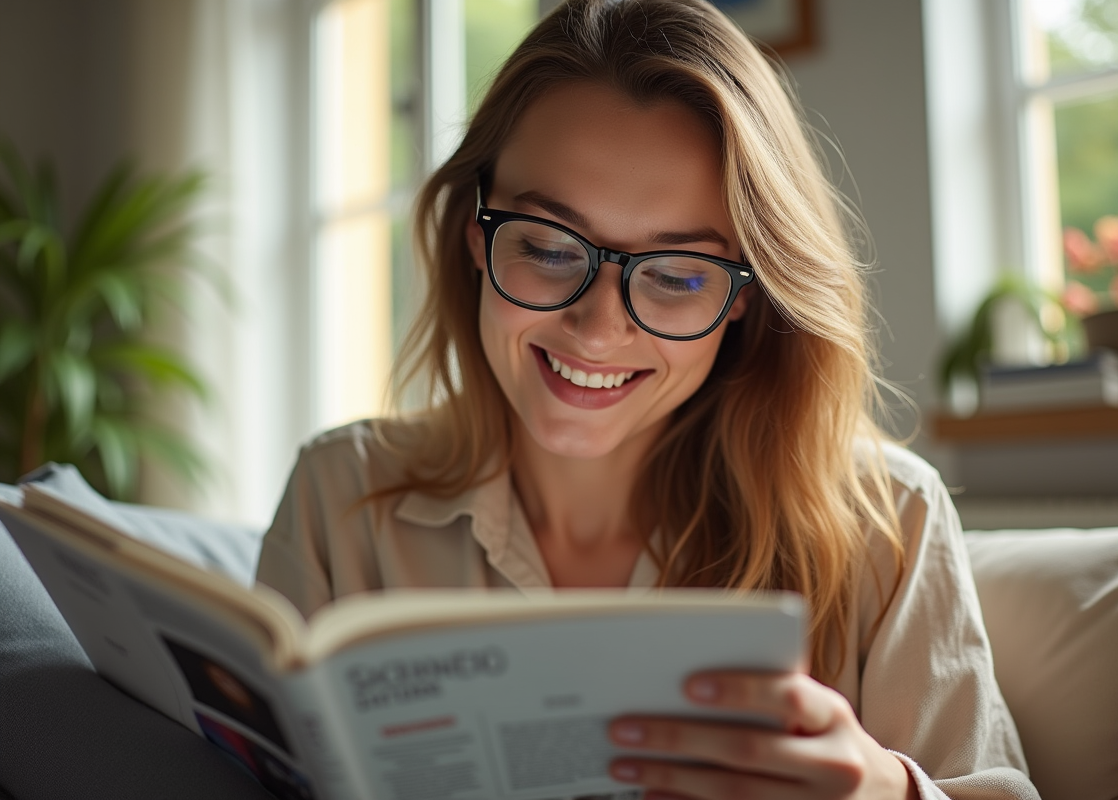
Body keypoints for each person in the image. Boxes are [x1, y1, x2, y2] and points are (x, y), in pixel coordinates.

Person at [256, 1, 1038, 797]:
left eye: (675, 276)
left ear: (744, 298)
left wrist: (881, 788)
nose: (596, 331)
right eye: (549, 248)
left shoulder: (888, 521)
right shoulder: (338, 496)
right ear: (475, 236)